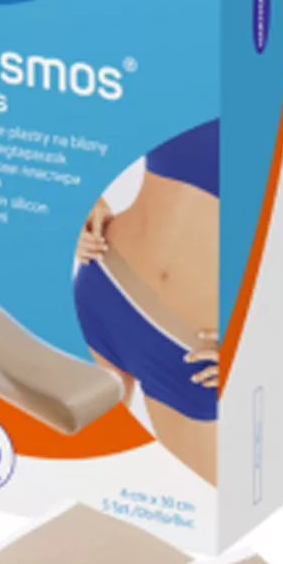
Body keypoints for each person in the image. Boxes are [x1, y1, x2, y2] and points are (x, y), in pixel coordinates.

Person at [73, 120, 220, 484]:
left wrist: (257, 347)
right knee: (82, 485)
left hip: (191, 349)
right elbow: (70, 124)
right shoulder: (181, 86)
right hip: (104, 279)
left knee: (199, 507)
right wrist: (83, 201)